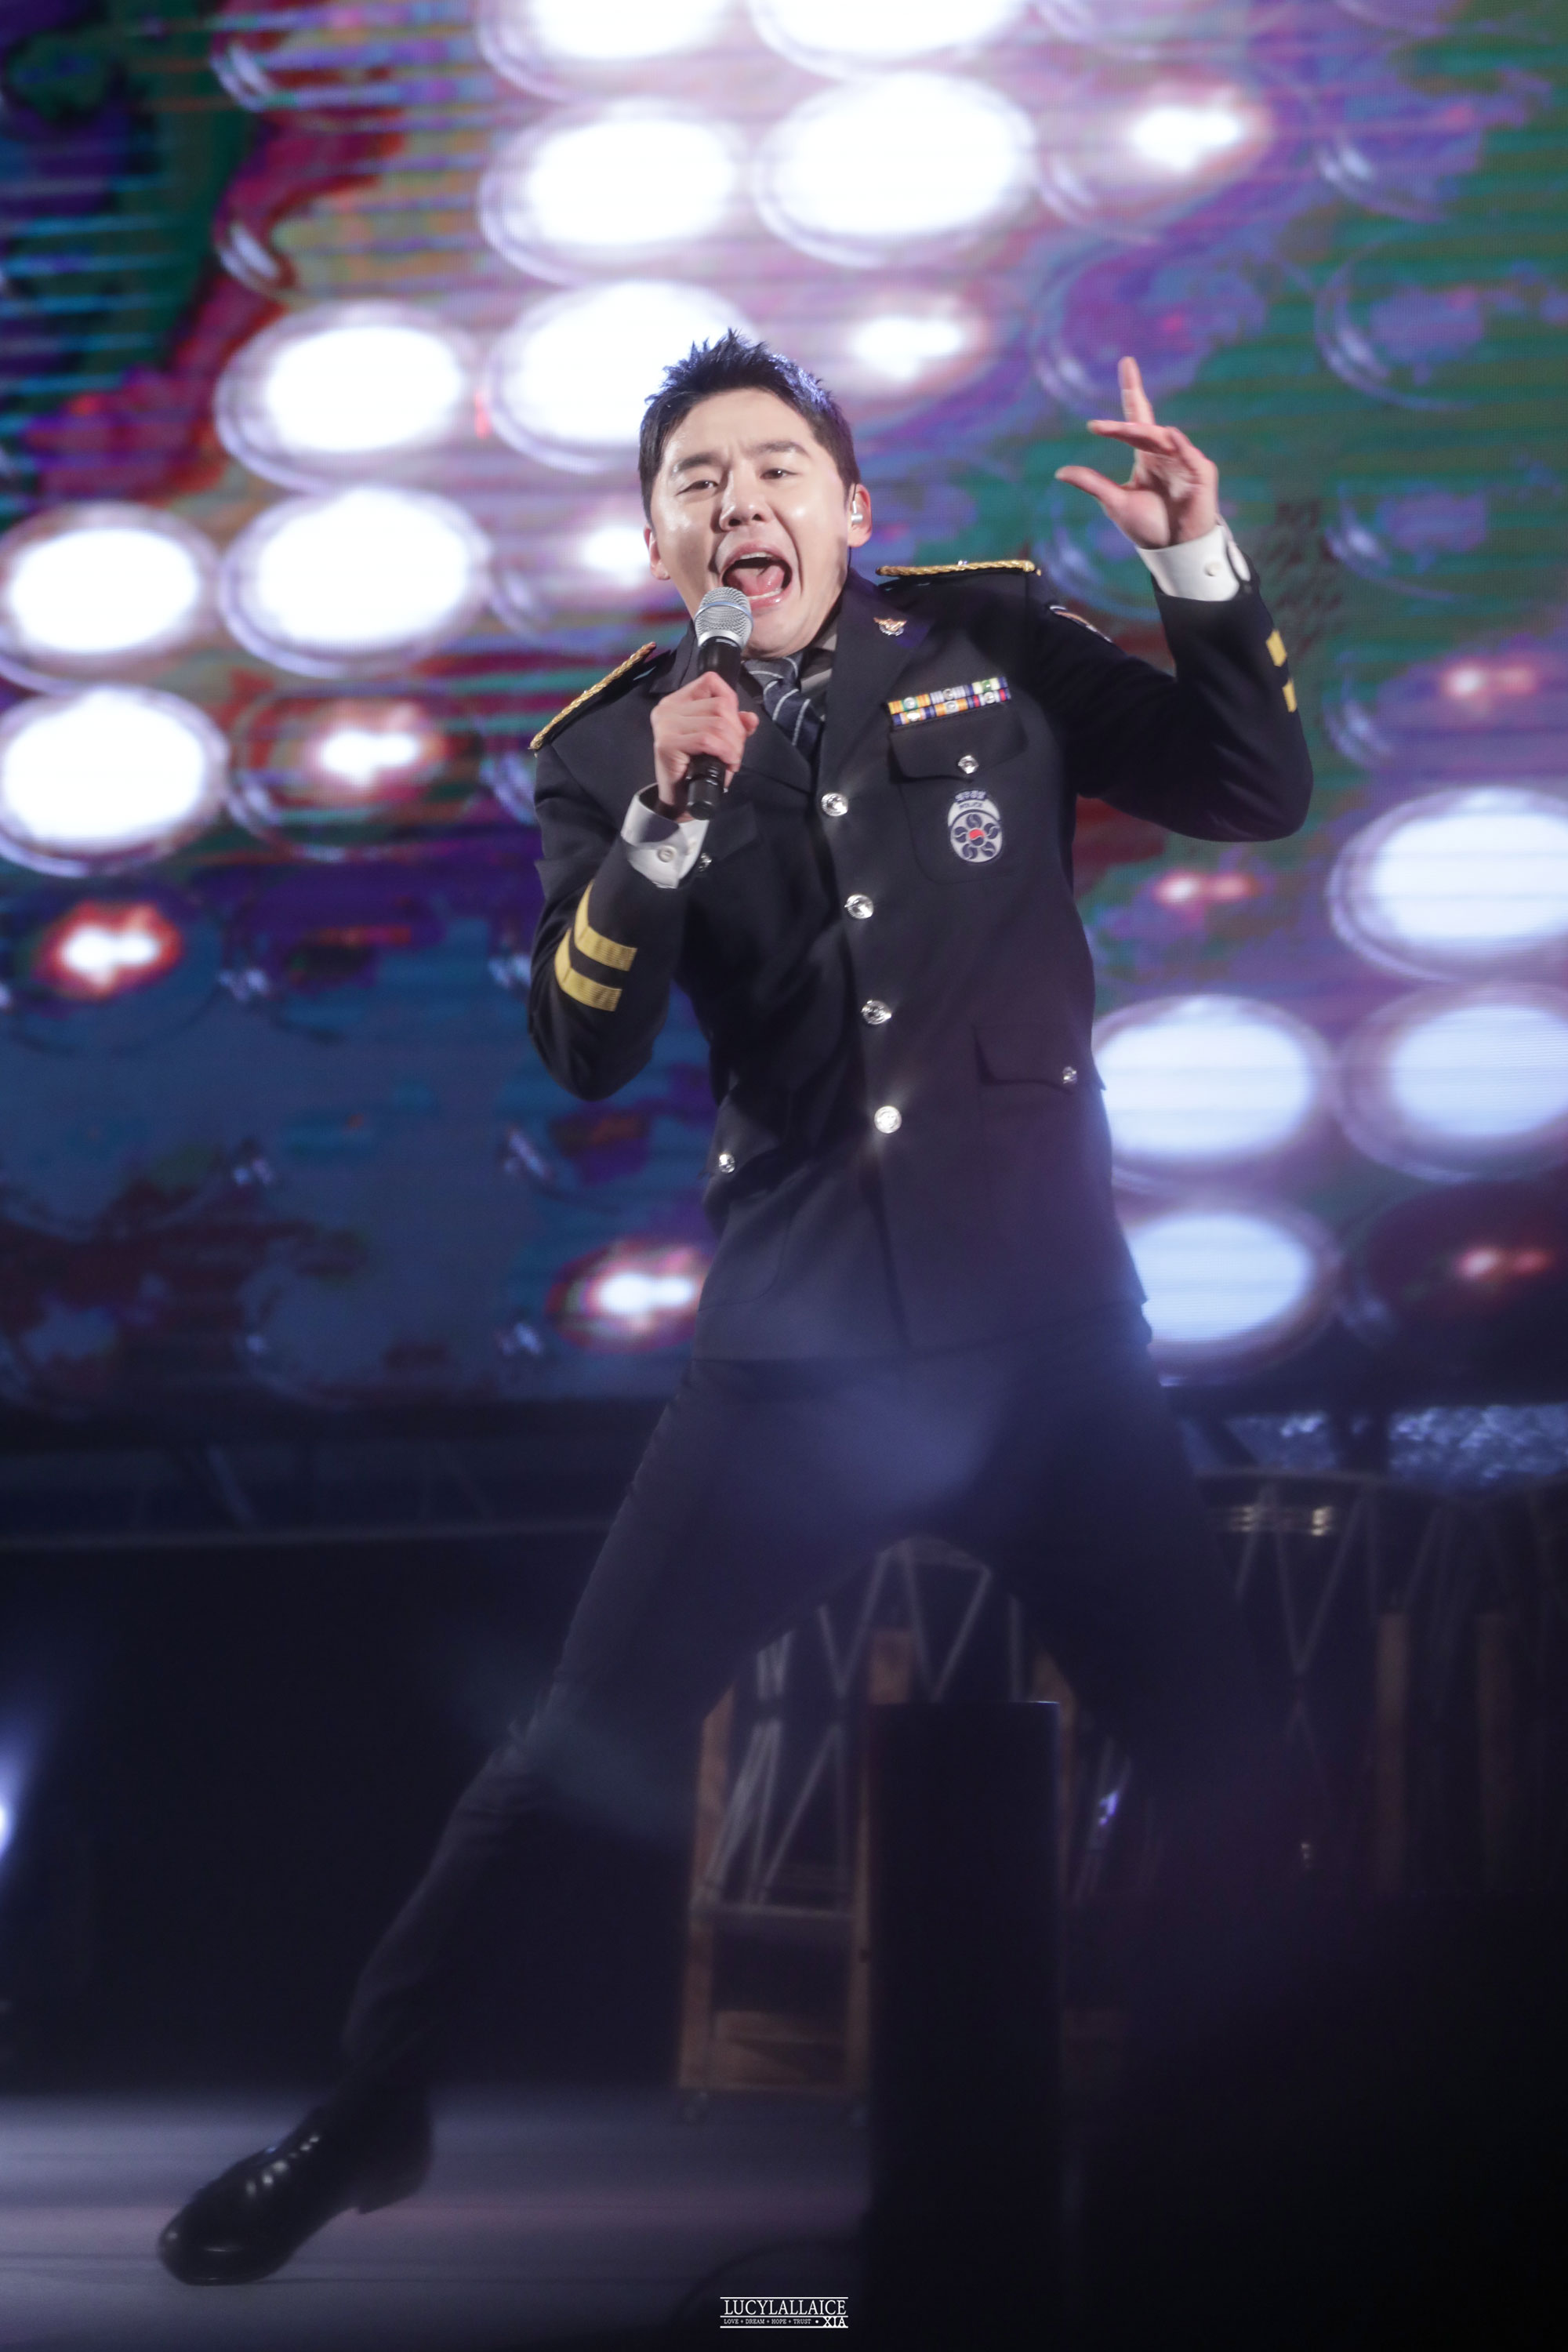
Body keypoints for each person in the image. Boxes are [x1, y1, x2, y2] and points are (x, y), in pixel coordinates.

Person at [158, 333, 1311, 2286]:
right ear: (657, 542)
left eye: (773, 470)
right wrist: (665, 826)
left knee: (1223, 1763)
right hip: (797, 1362)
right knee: (563, 1754)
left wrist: (1195, 564)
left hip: (1046, 1340)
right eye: (696, 482)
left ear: (850, 511)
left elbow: (1253, 789)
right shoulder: (608, 747)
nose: (737, 503)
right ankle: (369, 2113)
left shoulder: (995, 642)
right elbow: (583, 1044)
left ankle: (1250, 2157)